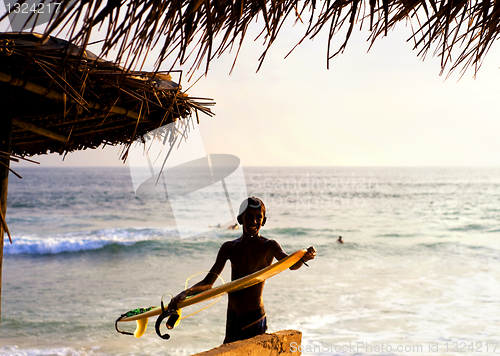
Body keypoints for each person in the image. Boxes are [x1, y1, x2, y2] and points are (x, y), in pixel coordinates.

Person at [169, 197, 316, 343]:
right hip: (232, 315)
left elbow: (290, 264)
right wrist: (185, 293)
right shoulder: (229, 248)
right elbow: (208, 283)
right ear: (240, 219)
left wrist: (304, 257)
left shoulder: (269, 246)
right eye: (249, 217)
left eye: (259, 217)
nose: (254, 221)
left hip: (254, 317)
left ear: (264, 221)